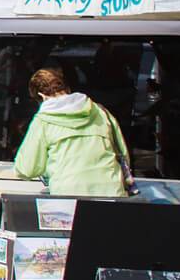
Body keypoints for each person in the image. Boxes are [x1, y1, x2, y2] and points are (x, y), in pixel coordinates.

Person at [15, 66, 132, 197]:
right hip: (111, 191)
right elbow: (123, 155)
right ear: (67, 89)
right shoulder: (102, 112)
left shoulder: (43, 121)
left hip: (68, 194)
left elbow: (27, 168)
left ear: (41, 97)